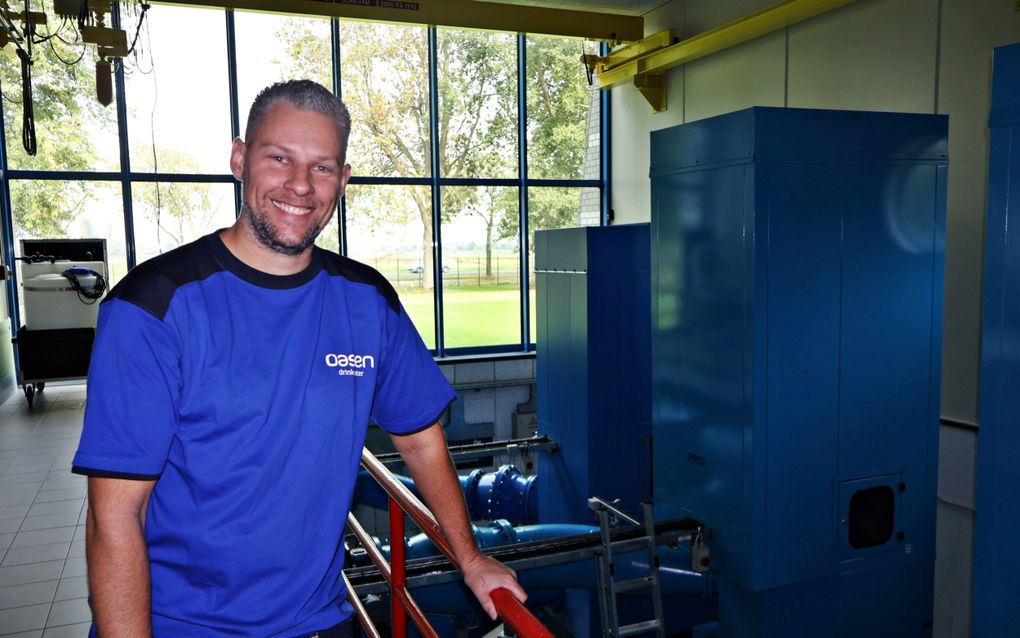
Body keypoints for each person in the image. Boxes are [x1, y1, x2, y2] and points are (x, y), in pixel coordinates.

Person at [72, 79, 526, 637]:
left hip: (318, 621)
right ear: (240, 159)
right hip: (180, 624)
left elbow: (420, 439)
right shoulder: (153, 306)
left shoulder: (366, 301)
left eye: (322, 167)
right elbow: (114, 516)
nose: (299, 186)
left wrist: (471, 556)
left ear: (344, 179)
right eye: (279, 158)